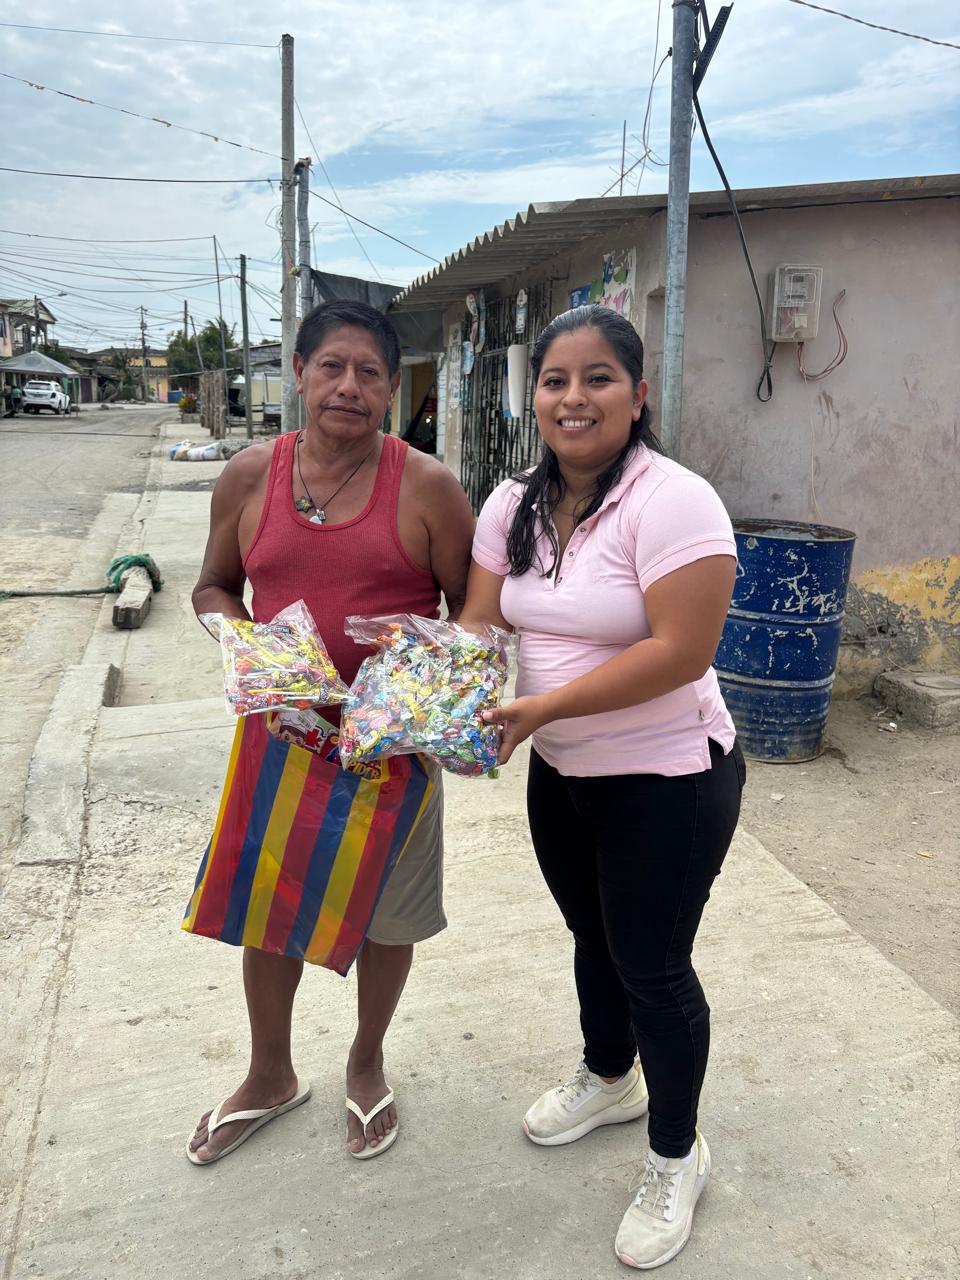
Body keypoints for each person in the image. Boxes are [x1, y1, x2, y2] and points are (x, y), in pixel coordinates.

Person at [461, 305, 745, 1270]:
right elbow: (482, 622)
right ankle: (610, 1075)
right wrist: (436, 704)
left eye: (598, 379)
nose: (573, 398)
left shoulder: (676, 502)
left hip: (668, 780)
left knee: (653, 966)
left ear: (638, 395)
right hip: (562, 774)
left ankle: (676, 1152)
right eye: (555, 380)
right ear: (532, 395)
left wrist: (540, 708)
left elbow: (681, 651)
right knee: (594, 936)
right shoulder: (512, 503)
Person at [187, 300, 475, 1163]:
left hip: (392, 752)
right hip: (280, 739)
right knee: (267, 910)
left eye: (370, 373)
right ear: (300, 374)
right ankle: (269, 1073)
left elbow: (473, 614)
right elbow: (213, 587)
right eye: (331, 367)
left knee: (389, 916)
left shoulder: (428, 487)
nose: (349, 386)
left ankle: (366, 1062)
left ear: (390, 390)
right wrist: (250, 649)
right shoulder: (249, 476)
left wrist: (409, 693)